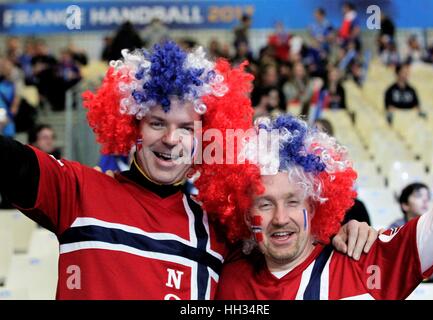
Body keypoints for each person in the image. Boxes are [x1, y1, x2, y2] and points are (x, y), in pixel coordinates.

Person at [0, 41, 376, 300]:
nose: (171, 140)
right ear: (131, 125)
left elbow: (288, 240)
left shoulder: (218, 228)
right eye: (157, 123)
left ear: (205, 137)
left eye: (186, 128)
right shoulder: (76, 189)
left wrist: (343, 228)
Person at [207, 106, 433, 299]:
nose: (280, 218)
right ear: (247, 214)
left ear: (313, 207)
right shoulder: (227, 273)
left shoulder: (363, 260)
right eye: (265, 204)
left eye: (293, 201)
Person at [389, 182, 433, 283]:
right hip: (404, 283)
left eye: (428, 196)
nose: (425, 200)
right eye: (418, 196)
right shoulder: (395, 228)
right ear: (405, 205)